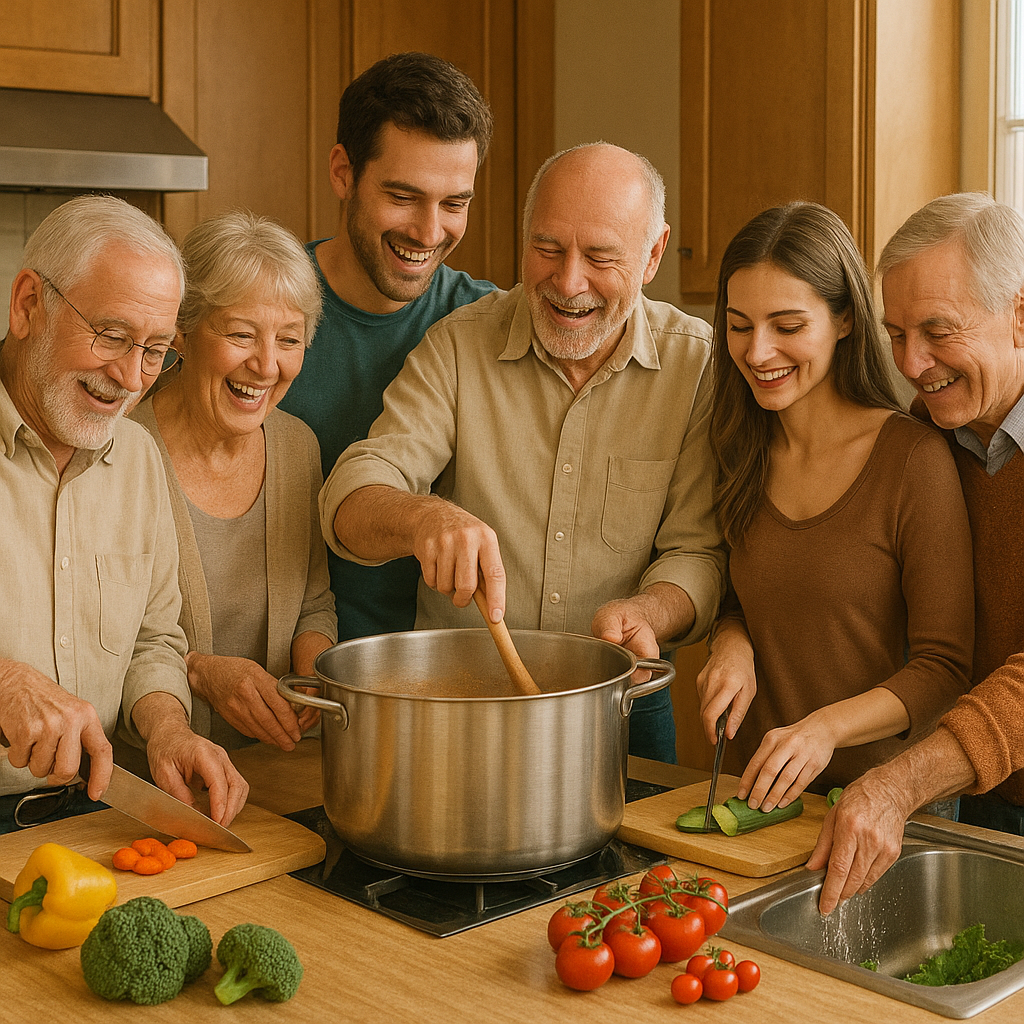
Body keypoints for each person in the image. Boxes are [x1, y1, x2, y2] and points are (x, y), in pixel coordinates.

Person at [321, 143, 725, 762]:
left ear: (653, 255)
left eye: (600, 257)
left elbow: (696, 551)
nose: (568, 282)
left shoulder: (698, 366)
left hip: (622, 709)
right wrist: (421, 517)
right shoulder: (457, 346)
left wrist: (650, 612)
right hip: (458, 708)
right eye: (547, 248)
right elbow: (352, 494)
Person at [695, 202, 973, 812]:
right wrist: (730, 642)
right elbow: (746, 600)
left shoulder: (913, 459)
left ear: (845, 319)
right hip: (759, 806)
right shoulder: (737, 448)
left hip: (884, 808)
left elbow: (944, 668)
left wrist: (824, 729)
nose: (758, 351)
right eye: (739, 325)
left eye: (788, 326)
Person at [0, 195, 247, 829]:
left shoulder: (137, 457)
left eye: (156, 351)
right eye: (111, 336)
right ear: (28, 305)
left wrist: (168, 728)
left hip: (89, 819)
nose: (131, 377)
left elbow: (152, 639)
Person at [809, 192, 1024, 913]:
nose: (911, 363)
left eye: (937, 331)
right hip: (979, 785)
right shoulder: (927, 432)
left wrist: (899, 783)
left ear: (1021, 316)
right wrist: (737, 629)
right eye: (896, 334)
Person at [279, 51, 496, 642]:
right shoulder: (259, 309)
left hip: (439, 672)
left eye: (454, 204)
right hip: (277, 670)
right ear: (343, 172)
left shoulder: (487, 325)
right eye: (403, 196)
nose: (429, 232)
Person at [126, 211, 337, 757]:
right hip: (152, 774)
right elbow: (98, 644)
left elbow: (314, 603)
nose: (266, 366)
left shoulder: (298, 448)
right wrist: (199, 672)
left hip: (275, 767)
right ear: (183, 328)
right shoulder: (119, 453)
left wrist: (314, 679)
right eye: (241, 334)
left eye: (289, 340)